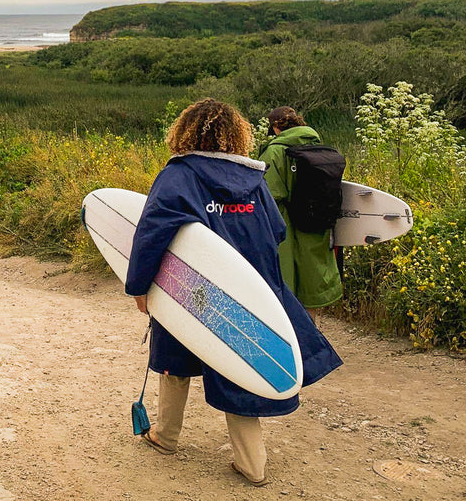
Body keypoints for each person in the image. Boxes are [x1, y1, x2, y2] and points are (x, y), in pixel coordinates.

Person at [125, 98, 342, 486]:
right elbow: (276, 231)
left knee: (175, 354)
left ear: (186, 132)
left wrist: (140, 286)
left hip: (187, 287)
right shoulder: (253, 179)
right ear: (236, 135)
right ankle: (251, 464)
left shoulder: (178, 176)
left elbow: (150, 235)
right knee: (241, 362)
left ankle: (166, 436)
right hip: (245, 289)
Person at [258, 106, 343, 323]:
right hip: (317, 221)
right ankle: (312, 333)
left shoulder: (274, 151)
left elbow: (269, 194)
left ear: (275, 126)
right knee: (310, 281)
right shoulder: (317, 145)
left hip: (286, 223)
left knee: (286, 281)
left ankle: (290, 341)